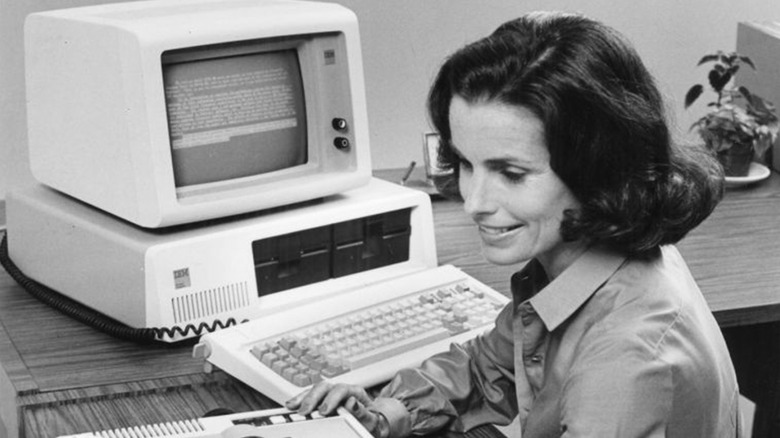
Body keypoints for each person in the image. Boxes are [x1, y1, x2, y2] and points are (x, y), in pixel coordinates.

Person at [286, 11, 741, 438]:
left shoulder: (625, 364)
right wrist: (379, 415)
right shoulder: (575, 260)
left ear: (598, 168)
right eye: (466, 163)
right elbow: (491, 366)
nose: (474, 203)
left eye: (511, 173)